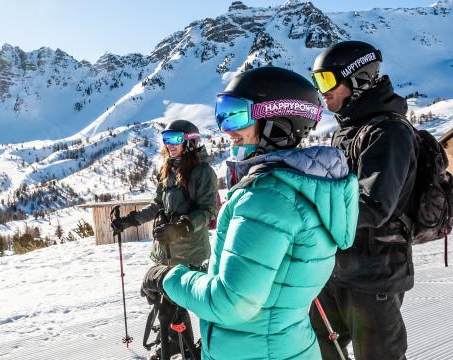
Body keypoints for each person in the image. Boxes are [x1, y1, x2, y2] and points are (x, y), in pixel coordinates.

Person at [140, 66, 359, 360]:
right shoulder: (305, 187)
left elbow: (231, 303)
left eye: (235, 114)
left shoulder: (267, 198)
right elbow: (266, 278)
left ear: (277, 121)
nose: (226, 128)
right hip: (282, 346)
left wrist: (168, 277)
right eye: (222, 113)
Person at [308, 40, 418, 360]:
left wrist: (311, 209)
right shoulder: (347, 130)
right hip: (338, 269)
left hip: (376, 273)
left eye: (327, 81)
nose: (321, 91)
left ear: (358, 80)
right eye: (317, 82)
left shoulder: (389, 133)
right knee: (315, 347)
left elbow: (373, 206)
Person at [110, 119, 218, 359]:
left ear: (189, 142)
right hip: (165, 249)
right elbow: (158, 205)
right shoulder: (168, 168)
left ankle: (184, 349)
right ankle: (175, 342)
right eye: (166, 139)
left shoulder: (203, 172)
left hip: (189, 251)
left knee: (174, 303)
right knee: (158, 297)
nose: (170, 145)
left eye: (175, 139)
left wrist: (181, 227)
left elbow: (209, 209)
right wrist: (131, 221)